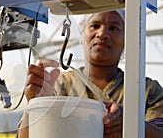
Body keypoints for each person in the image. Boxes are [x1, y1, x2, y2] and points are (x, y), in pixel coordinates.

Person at [17, 10, 163, 138]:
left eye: (114, 28)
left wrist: (132, 125)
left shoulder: (147, 90)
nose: (102, 34)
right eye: (95, 26)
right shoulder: (57, 85)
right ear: (82, 34)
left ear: (126, 41)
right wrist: (36, 105)